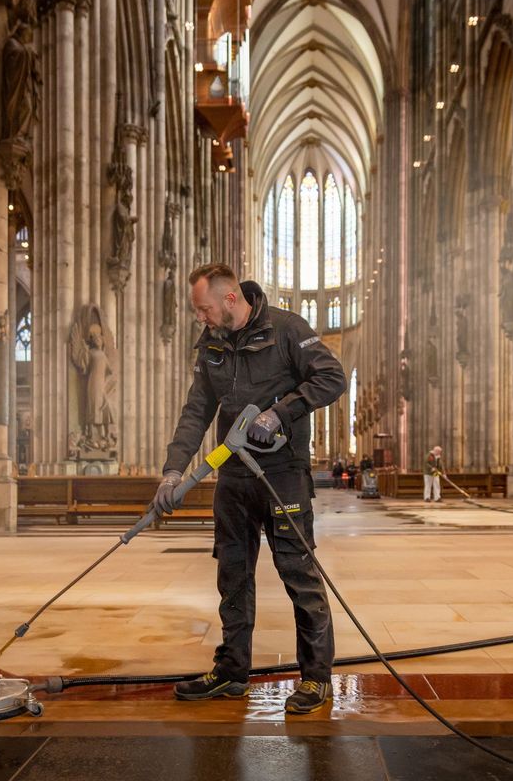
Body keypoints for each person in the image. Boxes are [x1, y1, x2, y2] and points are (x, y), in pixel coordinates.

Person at [153, 263, 346, 715]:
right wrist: (172, 471)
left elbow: (331, 377)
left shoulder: (286, 329)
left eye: (204, 309)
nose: (200, 317)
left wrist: (281, 412)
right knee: (232, 577)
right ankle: (232, 671)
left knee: (298, 574)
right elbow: (196, 411)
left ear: (230, 300)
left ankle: (316, 678)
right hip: (234, 475)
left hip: (282, 474)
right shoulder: (212, 344)